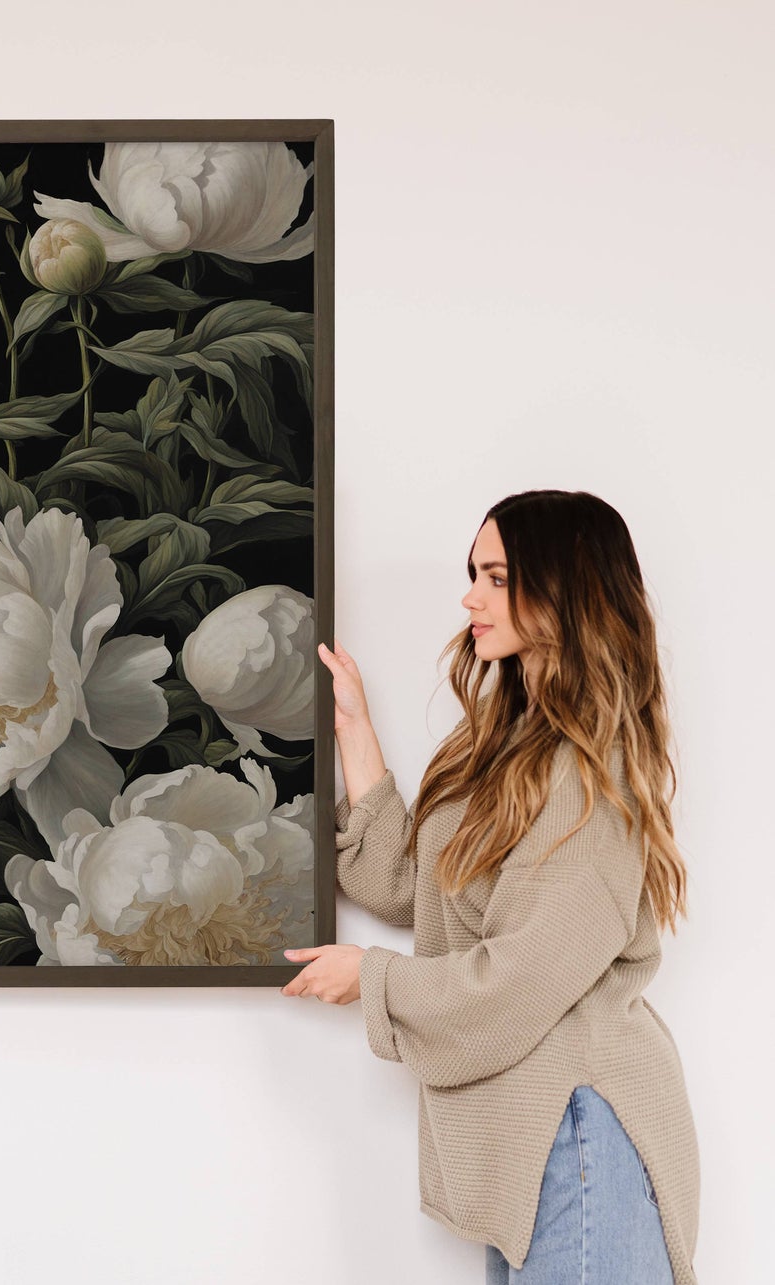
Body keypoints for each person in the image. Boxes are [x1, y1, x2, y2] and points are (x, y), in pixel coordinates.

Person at [279, 491, 699, 1284]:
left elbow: (517, 980)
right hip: (535, 1143)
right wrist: (353, 731)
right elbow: (417, 886)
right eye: (473, 572)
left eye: (497, 576)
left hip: (579, 1138)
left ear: (563, 588)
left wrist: (368, 976)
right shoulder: (506, 750)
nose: (470, 595)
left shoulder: (587, 781)